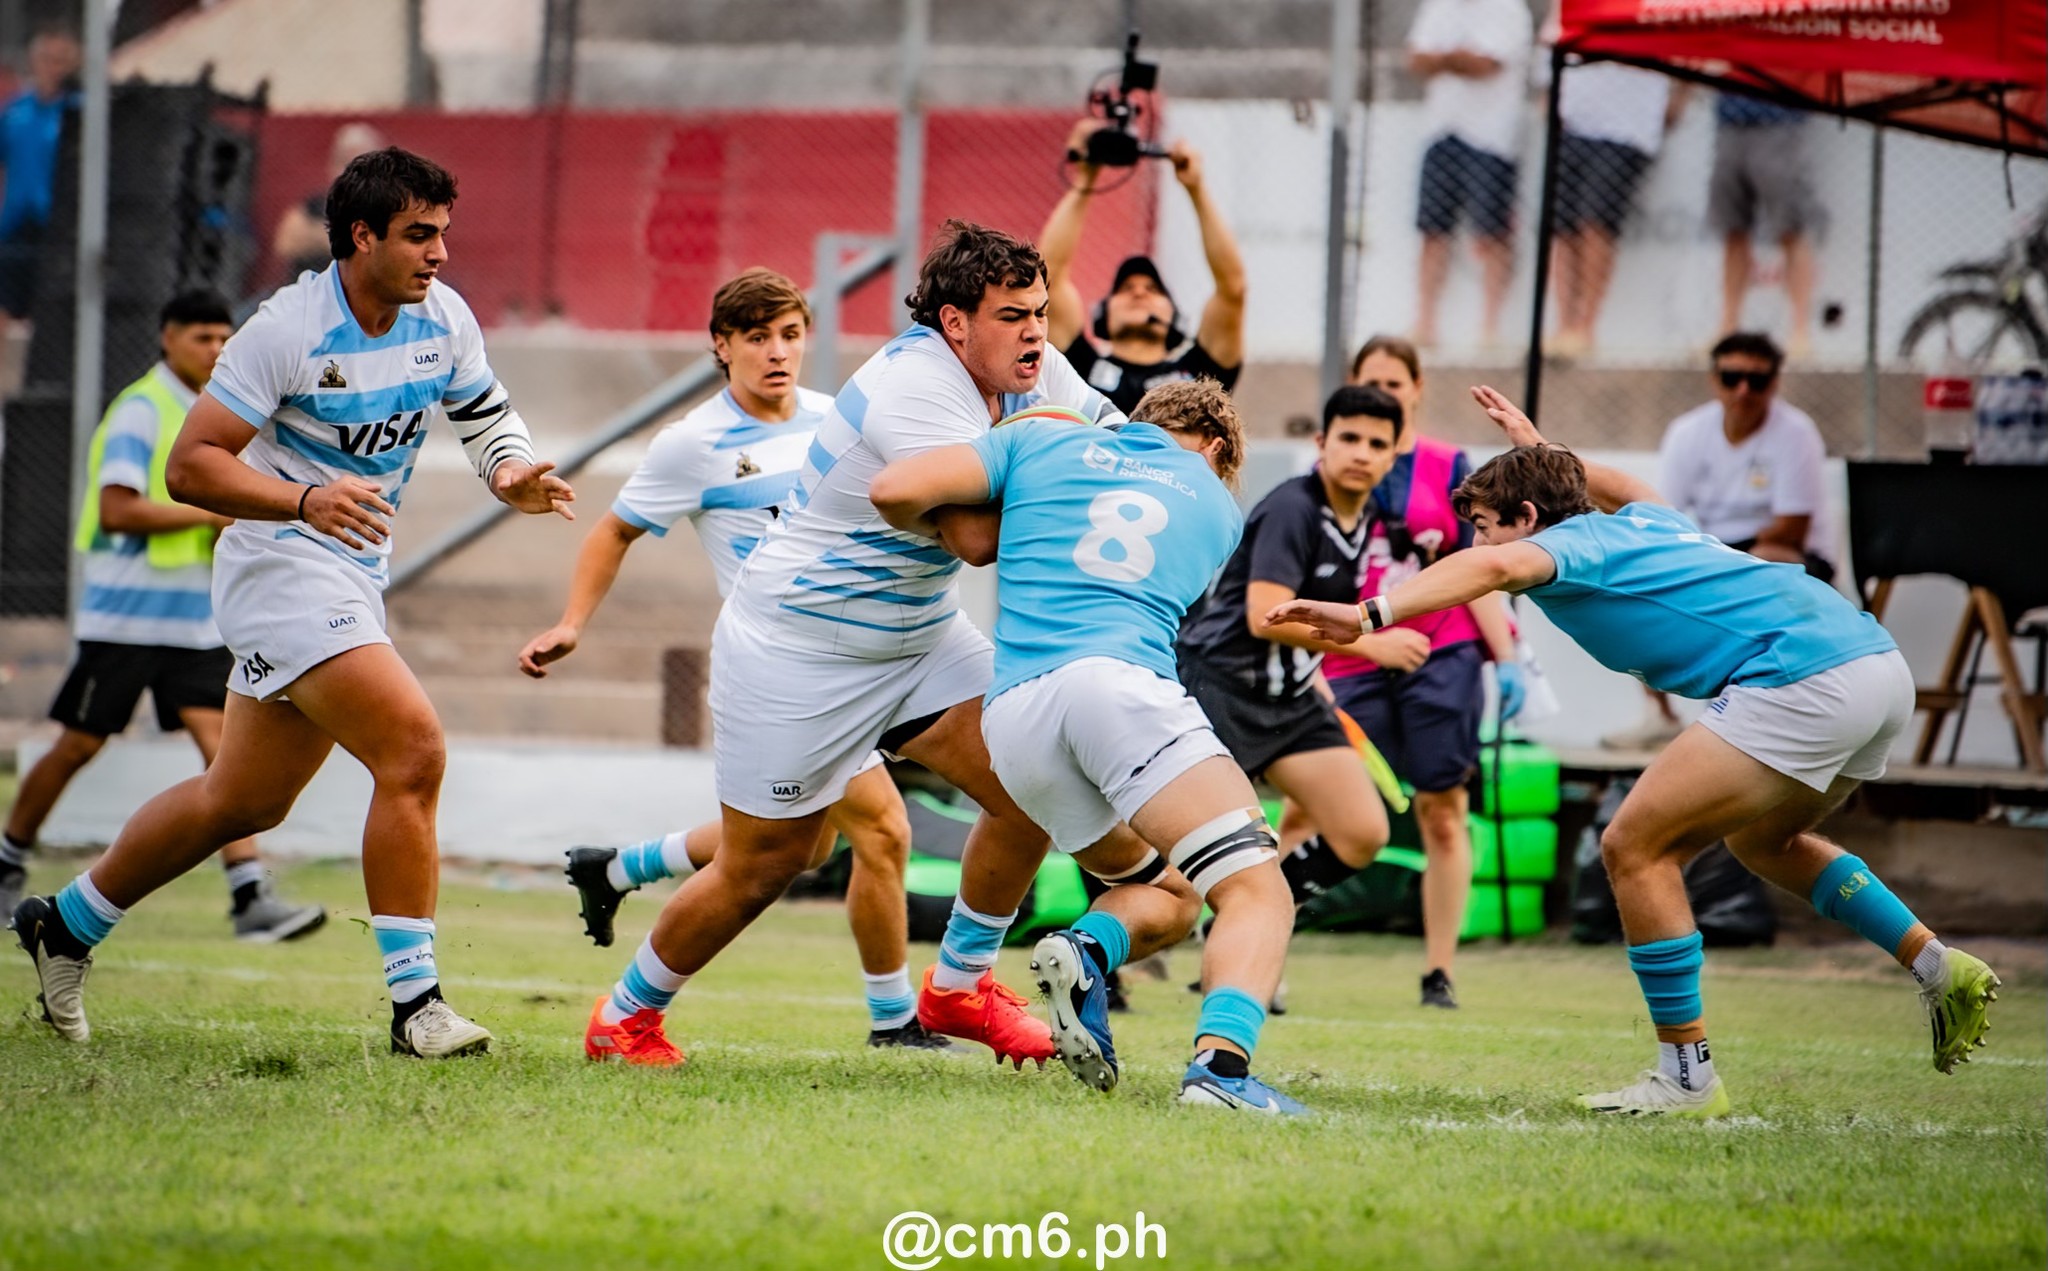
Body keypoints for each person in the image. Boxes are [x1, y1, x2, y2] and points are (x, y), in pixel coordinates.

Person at [1268, 384, 2001, 1117]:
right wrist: (1541, 452)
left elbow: (1488, 571)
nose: (1480, 542)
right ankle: (1936, 963)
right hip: (1877, 665)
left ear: (1527, 519)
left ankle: (1686, 1075)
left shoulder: (1561, 545)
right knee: (1765, 840)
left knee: (1634, 847)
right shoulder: (1651, 517)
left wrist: (1365, 614)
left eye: (1488, 525)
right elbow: (1601, 486)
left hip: (1801, 678)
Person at [10, 148, 576, 1058]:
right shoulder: (287, 329)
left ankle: (64, 921)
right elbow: (190, 466)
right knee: (414, 747)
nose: (440, 254)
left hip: (350, 572)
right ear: (362, 236)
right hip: (279, 564)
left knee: (240, 799)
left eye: (444, 234)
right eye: (419, 235)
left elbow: (484, 418)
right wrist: (306, 499)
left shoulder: (445, 317)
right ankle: (416, 1007)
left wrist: (510, 471)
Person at [578, 221, 1122, 1071]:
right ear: (953, 322)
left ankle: (958, 986)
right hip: (799, 653)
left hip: (921, 634)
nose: (1036, 332)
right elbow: (975, 537)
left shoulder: (1033, 367)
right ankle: (623, 1017)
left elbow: (1115, 447)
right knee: (768, 861)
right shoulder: (915, 386)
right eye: (1014, 315)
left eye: (1041, 312)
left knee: (1034, 782)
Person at [515, 267, 943, 1052]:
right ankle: (893, 1019)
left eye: (789, 334)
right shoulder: (692, 444)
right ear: (722, 345)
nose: (777, 352)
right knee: (881, 828)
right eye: (756, 337)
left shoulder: (833, 420)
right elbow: (613, 530)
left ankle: (615, 869)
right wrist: (573, 622)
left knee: (807, 844)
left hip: (857, 659)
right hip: (784, 670)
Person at [871, 379, 1308, 1113]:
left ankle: (1089, 951)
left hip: (1014, 715)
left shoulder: (1042, 437)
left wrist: (977, 524)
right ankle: (1221, 1074)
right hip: (1119, 689)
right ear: (1219, 448)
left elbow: (893, 490)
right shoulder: (1219, 507)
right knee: (1257, 889)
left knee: (1171, 896)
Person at [0, 290, 325, 943]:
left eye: (224, 338)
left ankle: (249, 895)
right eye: (202, 337)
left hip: (195, 624)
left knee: (225, 751)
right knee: (78, 744)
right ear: (166, 338)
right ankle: (6, 863)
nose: (216, 349)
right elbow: (119, 509)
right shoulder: (142, 410)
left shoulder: (225, 413)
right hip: (126, 620)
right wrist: (212, 511)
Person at [1333, 335, 1522, 1008]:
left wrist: (1510, 658)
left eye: (1395, 383)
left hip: (1442, 651)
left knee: (1445, 812)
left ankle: (1438, 971)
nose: (1383, 395)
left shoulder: (1448, 465)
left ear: (1416, 389)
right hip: (1351, 654)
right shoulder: (1331, 466)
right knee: (1313, 804)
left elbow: (1485, 566)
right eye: (1370, 383)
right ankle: (1253, 955)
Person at [1174, 385, 1394, 927]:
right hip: (1222, 691)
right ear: (1323, 442)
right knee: (1177, 856)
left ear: (1394, 455)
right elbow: (1265, 614)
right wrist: (1374, 642)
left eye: (1376, 443)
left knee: (1362, 832)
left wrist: (1316, 676)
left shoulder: (1363, 518)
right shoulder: (1294, 507)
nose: (1361, 452)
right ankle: (1106, 964)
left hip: (1292, 702)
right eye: (1349, 438)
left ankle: (1254, 921)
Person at [1604, 331, 1833, 750]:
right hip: (1716, 550)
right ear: (1714, 380)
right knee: (1632, 583)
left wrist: (1707, 552)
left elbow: (1791, 531)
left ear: (1775, 384)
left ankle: (1756, 716)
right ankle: (1661, 714)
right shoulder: (1688, 431)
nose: (1743, 390)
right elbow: (1662, 515)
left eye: (1756, 380)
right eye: (1732, 377)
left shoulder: (1796, 433)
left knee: (1765, 566)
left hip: (1789, 558)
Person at [1040, 121, 1246, 417]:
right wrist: (1086, 178)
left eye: (1153, 289)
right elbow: (1047, 278)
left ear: (1174, 317)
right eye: (1125, 289)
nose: (1138, 292)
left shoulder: (1200, 376)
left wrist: (1196, 189)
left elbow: (1232, 289)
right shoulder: (1077, 368)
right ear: (1103, 317)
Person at [1406, 0, 1532, 350]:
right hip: (1441, 130)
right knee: (1432, 231)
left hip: (1492, 137)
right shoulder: (1438, 6)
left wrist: (1442, 59)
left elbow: (1485, 64)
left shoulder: (1509, 9)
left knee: (1492, 233)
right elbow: (1415, 59)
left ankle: (1490, 328)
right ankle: (1425, 323)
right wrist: (1455, 58)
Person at [1548, 63, 1683, 357]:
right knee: (1562, 229)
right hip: (1574, 126)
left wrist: (1677, 102)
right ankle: (1563, 327)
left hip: (1626, 131)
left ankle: (1586, 327)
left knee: (1595, 223)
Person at [1711, 96, 1820, 353]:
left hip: (1779, 120)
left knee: (1791, 230)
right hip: (1730, 122)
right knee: (1733, 231)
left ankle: (1800, 333)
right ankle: (1727, 330)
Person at [0, 26, 81, 322]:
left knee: (50, 309)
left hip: (58, 223)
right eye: (46, 58)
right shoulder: (15, 113)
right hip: (17, 221)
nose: (52, 67)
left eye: (60, 59)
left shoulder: (78, 112)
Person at [269, 122, 387, 291]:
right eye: (345, 162)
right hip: (307, 289)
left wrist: (318, 235)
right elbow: (285, 242)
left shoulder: (387, 207)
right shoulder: (317, 203)